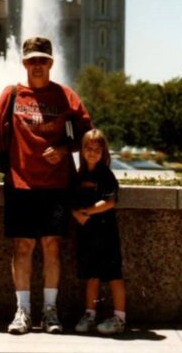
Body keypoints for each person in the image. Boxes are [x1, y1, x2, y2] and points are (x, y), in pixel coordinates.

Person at [0, 36, 92, 335]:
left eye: (42, 60)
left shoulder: (65, 96)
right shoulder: (13, 95)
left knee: (51, 247)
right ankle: (23, 311)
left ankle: (50, 311)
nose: (37, 65)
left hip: (56, 187)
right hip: (20, 185)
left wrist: (64, 150)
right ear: (24, 63)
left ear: (51, 63)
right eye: (32, 60)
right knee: (22, 247)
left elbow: (88, 136)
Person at [72, 129, 126, 335]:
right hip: (87, 234)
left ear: (104, 152)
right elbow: (72, 200)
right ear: (82, 151)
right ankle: (90, 314)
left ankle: (120, 317)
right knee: (91, 275)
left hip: (106, 232)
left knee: (114, 275)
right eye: (88, 148)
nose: (92, 152)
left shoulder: (106, 174)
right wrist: (76, 213)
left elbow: (110, 201)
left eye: (97, 149)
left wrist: (89, 211)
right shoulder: (80, 175)